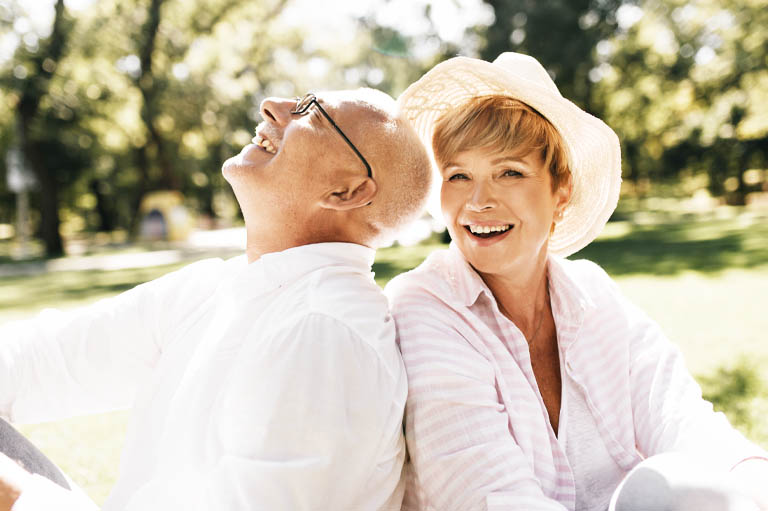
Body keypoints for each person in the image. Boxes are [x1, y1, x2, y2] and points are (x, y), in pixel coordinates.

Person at [0, 88, 432, 510]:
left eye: (311, 110)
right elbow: (39, 361)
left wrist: (14, 496)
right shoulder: (215, 287)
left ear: (346, 191)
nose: (272, 106)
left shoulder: (327, 332)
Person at [385, 52, 768, 511]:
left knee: (687, 485)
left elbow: (684, 420)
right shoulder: (423, 306)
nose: (478, 201)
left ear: (560, 191)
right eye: (459, 176)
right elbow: (487, 496)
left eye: (509, 172)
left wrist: (751, 481)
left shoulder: (593, 293)